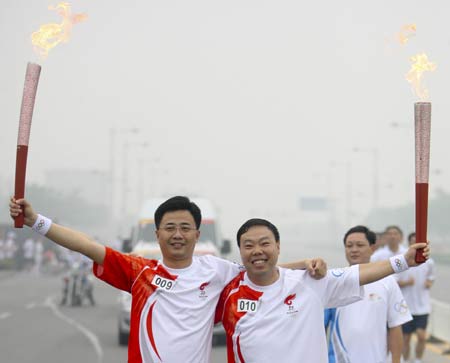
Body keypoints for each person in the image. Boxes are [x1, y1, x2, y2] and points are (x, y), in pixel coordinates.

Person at [9, 196, 326, 363]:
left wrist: (306, 265)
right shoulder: (140, 272)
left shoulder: (216, 270)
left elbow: (261, 266)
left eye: (185, 227)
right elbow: (88, 246)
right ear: (157, 233)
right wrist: (37, 221)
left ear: (197, 234)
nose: (178, 234)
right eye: (170, 227)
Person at [214, 218, 429, 363]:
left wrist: (404, 261)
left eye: (264, 243)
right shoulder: (227, 293)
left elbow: (356, 274)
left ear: (278, 246)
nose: (257, 251)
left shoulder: (309, 282)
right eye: (249, 245)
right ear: (240, 251)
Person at [324, 225, 412, 363]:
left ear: (372, 248)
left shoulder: (388, 282)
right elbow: (321, 327)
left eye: (360, 245)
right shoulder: (335, 282)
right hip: (338, 359)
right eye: (349, 246)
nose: (354, 250)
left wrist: (396, 360)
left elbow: (395, 325)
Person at [399, 232, 435, 363]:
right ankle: (405, 360)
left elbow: (431, 277)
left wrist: (429, 282)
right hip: (406, 306)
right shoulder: (403, 261)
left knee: (421, 336)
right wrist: (406, 283)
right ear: (410, 244)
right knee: (406, 338)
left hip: (422, 307)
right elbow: (394, 281)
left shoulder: (429, 262)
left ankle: (418, 360)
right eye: (413, 241)